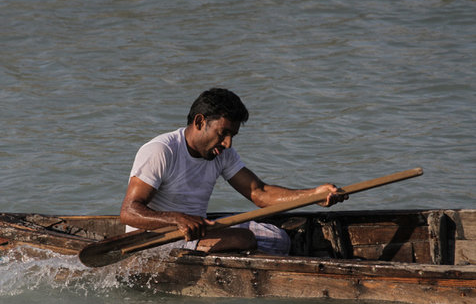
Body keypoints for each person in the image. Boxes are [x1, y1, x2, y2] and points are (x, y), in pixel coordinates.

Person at [119, 88, 347, 255]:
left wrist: (314, 195)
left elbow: (260, 193)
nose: (227, 144)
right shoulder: (162, 150)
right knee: (243, 238)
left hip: (198, 230)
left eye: (232, 136)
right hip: (157, 239)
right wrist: (177, 219)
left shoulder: (221, 153)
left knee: (279, 239)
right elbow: (129, 212)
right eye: (223, 134)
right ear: (200, 122)